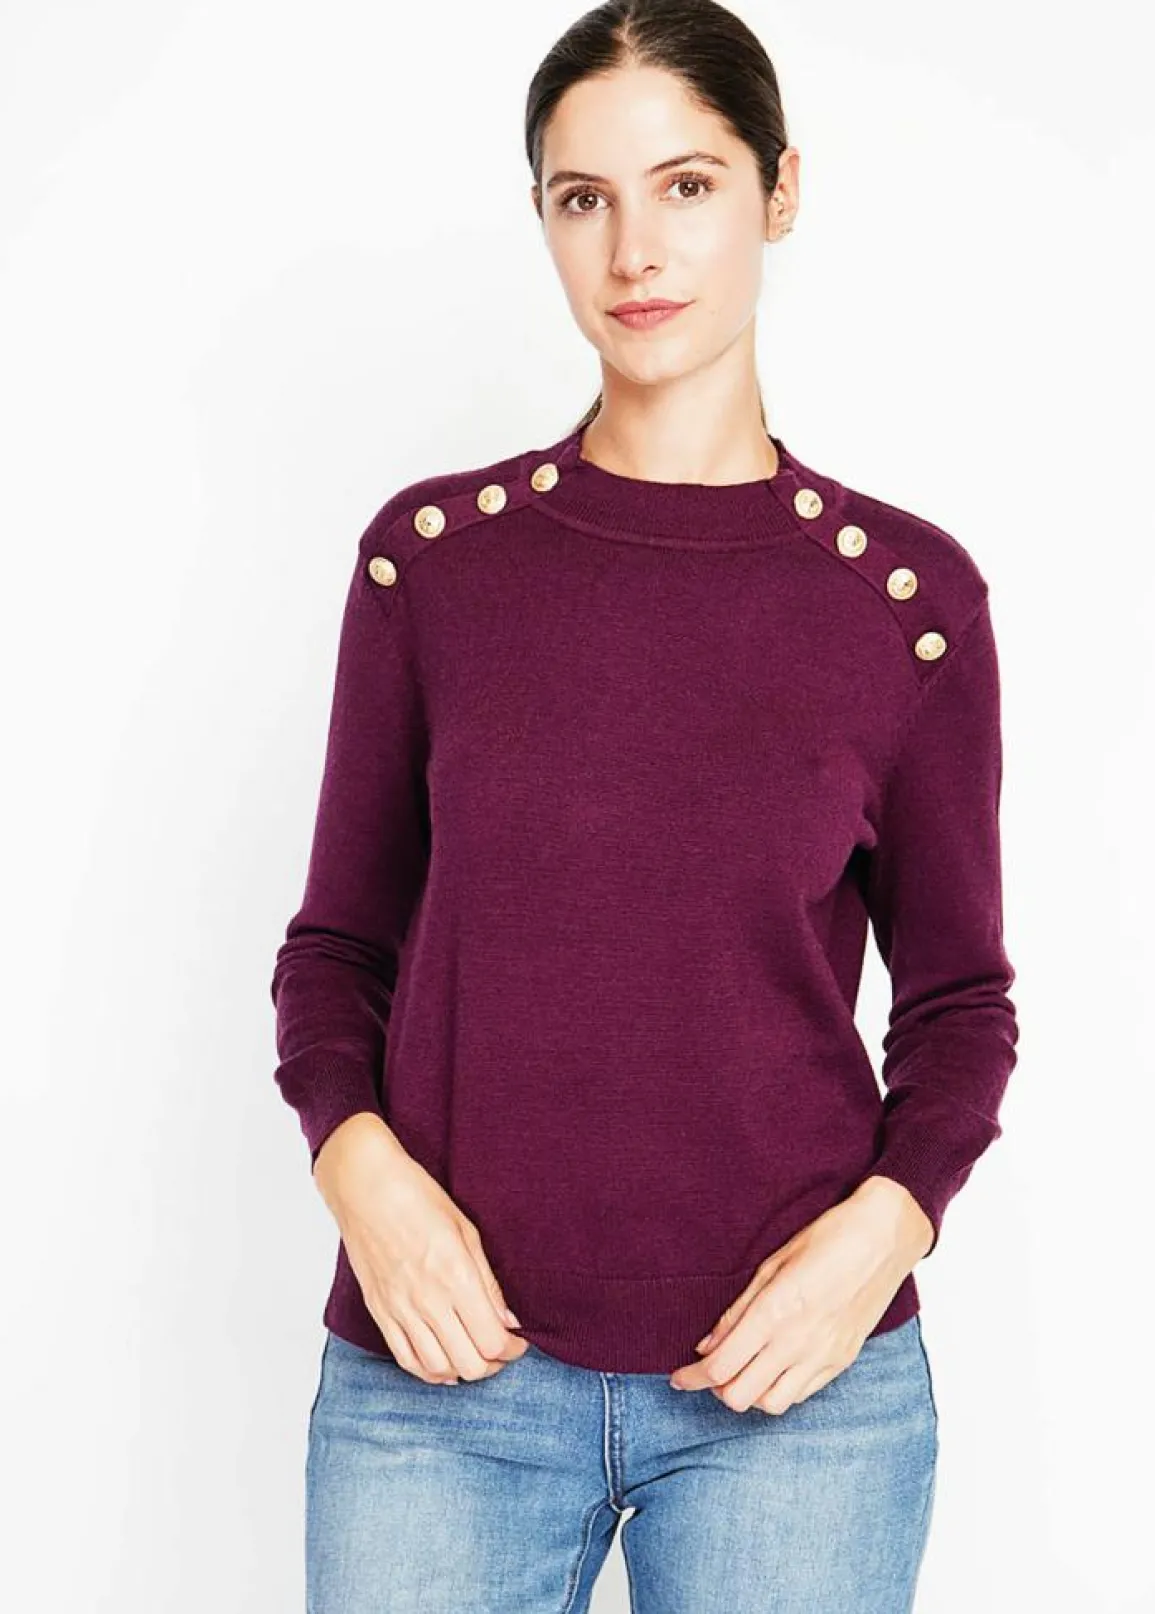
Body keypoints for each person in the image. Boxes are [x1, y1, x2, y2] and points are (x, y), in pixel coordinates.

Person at [271, 1, 1019, 1608]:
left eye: (687, 185)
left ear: (780, 190)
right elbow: (335, 951)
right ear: (542, 217)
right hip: (441, 1384)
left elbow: (961, 1003)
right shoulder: (433, 569)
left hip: (795, 1391)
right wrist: (361, 1175)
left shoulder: (906, 606)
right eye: (582, 198)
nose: (635, 251)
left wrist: (885, 1233)